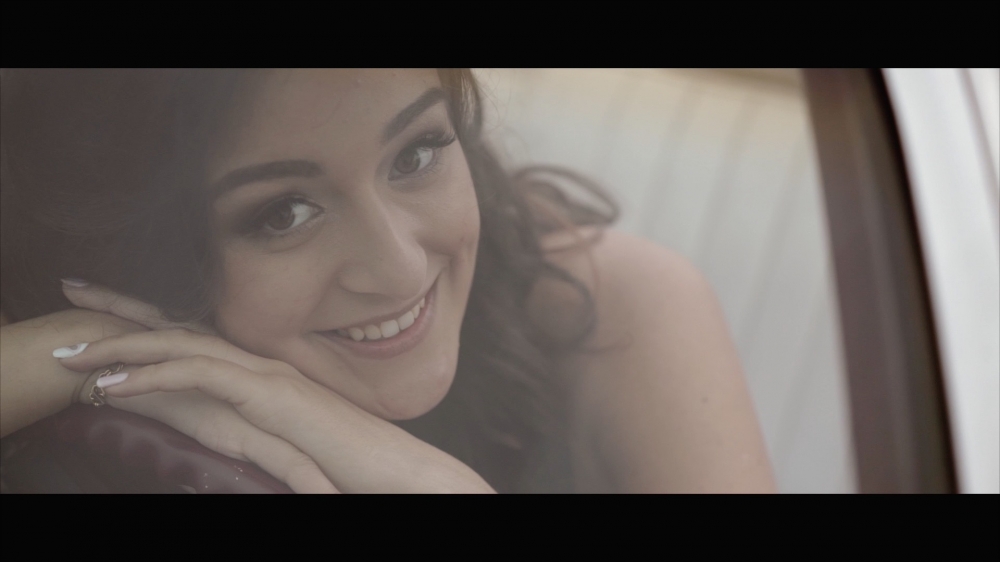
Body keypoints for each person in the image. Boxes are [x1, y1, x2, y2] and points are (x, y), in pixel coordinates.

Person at [0, 69, 775, 493]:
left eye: (416, 154)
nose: (401, 267)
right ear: (140, 253)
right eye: (284, 213)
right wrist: (81, 345)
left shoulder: (621, 304)